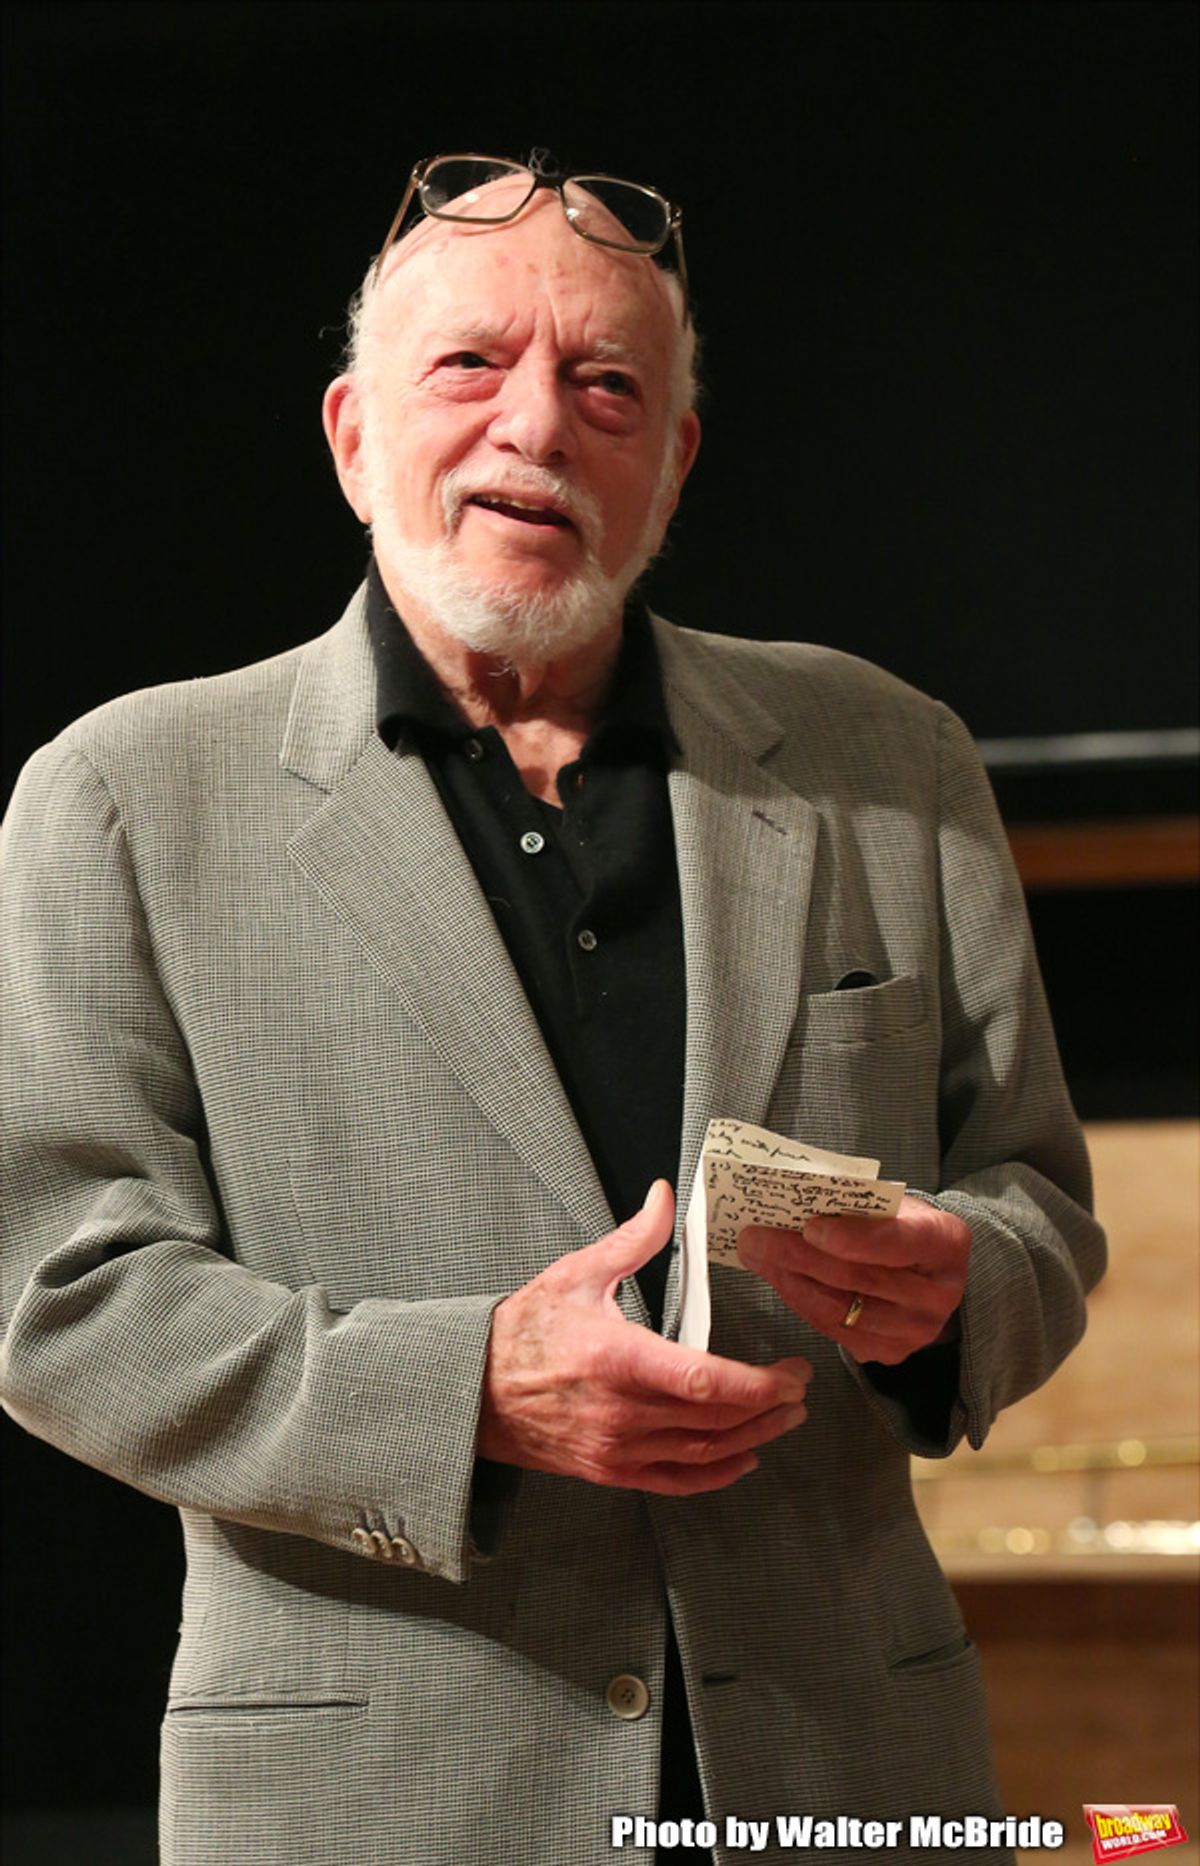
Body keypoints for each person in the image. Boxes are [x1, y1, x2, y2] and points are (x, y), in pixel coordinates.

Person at [1, 152, 1104, 1866]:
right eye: (471, 365)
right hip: (372, 1805)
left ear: (671, 467)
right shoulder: (126, 799)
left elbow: (1036, 1206)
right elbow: (64, 1299)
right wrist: (470, 1395)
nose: (539, 422)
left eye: (608, 385)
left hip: (845, 1774)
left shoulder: (897, 759)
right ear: (355, 434)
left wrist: (963, 1289)